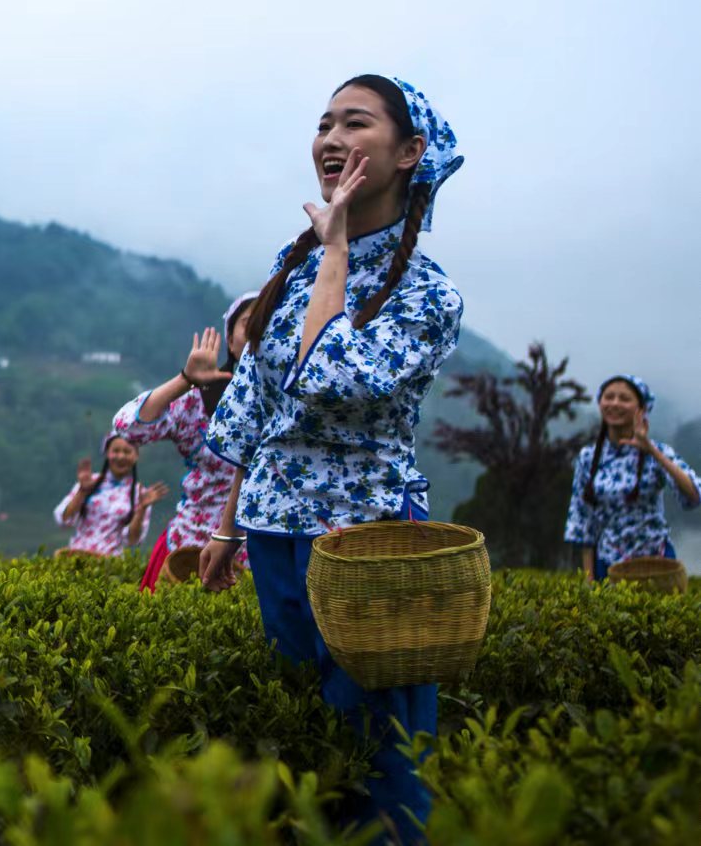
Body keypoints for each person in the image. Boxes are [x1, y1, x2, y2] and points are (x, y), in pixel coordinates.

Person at [201, 75, 464, 845]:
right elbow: (256, 412)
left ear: (411, 152)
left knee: (380, 746)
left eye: (356, 122)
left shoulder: (426, 291)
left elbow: (330, 379)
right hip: (276, 531)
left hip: (367, 539)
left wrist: (337, 247)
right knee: (302, 735)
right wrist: (228, 528)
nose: (331, 138)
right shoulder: (296, 273)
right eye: (324, 124)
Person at [112, 294, 257, 589]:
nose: (260, 332)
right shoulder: (198, 400)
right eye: (249, 324)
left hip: (263, 554)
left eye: (271, 323)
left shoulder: (298, 398)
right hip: (189, 548)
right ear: (230, 340)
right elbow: (128, 427)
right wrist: (185, 380)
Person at [564, 374, 699, 580]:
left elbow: (693, 494)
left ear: (641, 409)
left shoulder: (658, 452)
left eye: (624, 398)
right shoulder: (588, 457)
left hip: (657, 563)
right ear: (600, 403)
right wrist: (589, 582)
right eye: (609, 397)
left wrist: (652, 451)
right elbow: (583, 522)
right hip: (608, 563)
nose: (615, 403)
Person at [55, 433, 164, 556]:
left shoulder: (141, 494)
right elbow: (64, 520)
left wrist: (141, 509)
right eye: (116, 451)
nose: (121, 456)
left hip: (110, 565)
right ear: (107, 453)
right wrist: (82, 492)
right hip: (76, 558)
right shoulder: (89, 482)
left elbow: (132, 540)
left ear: (136, 456)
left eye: (127, 452)